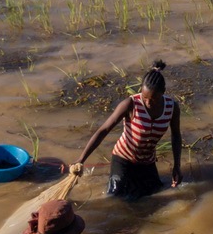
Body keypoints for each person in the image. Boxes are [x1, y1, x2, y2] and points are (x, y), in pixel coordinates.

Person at [70, 60, 181, 199]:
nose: (147, 102)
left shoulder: (172, 108)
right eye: (144, 97)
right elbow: (104, 129)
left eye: (152, 100)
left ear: (163, 93)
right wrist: (81, 159)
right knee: (114, 198)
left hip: (147, 162)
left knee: (154, 196)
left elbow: (176, 136)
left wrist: (177, 166)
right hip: (123, 158)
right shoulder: (131, 104)